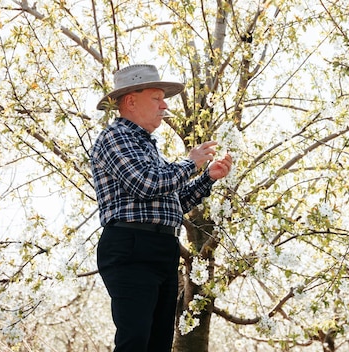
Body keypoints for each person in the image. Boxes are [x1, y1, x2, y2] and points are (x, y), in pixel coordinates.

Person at [90, 64, 232, 352]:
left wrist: (207, 177)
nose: (165, 105)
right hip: (132, 247)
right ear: (131, 101)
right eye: (157, 98)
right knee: (135, 341)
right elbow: (146, 184)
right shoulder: (115, 137)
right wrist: (190, 163)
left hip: (160, 246)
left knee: (157, 344)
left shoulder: (148, 146)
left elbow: (172, 203)